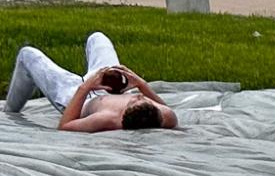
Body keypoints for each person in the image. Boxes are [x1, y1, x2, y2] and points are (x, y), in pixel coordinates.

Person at [6, 32, 178, 131]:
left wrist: (86, 87)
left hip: (77, 94)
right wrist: (140, 83)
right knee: (98, 37)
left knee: (27, 55)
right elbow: (163, 106)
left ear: (124, 114)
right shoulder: (165, 116)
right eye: (143, 98)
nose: (139, 96)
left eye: (135, 100)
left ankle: (8, 112)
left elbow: (65, 125)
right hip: (109, 85)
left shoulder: (106, 119)